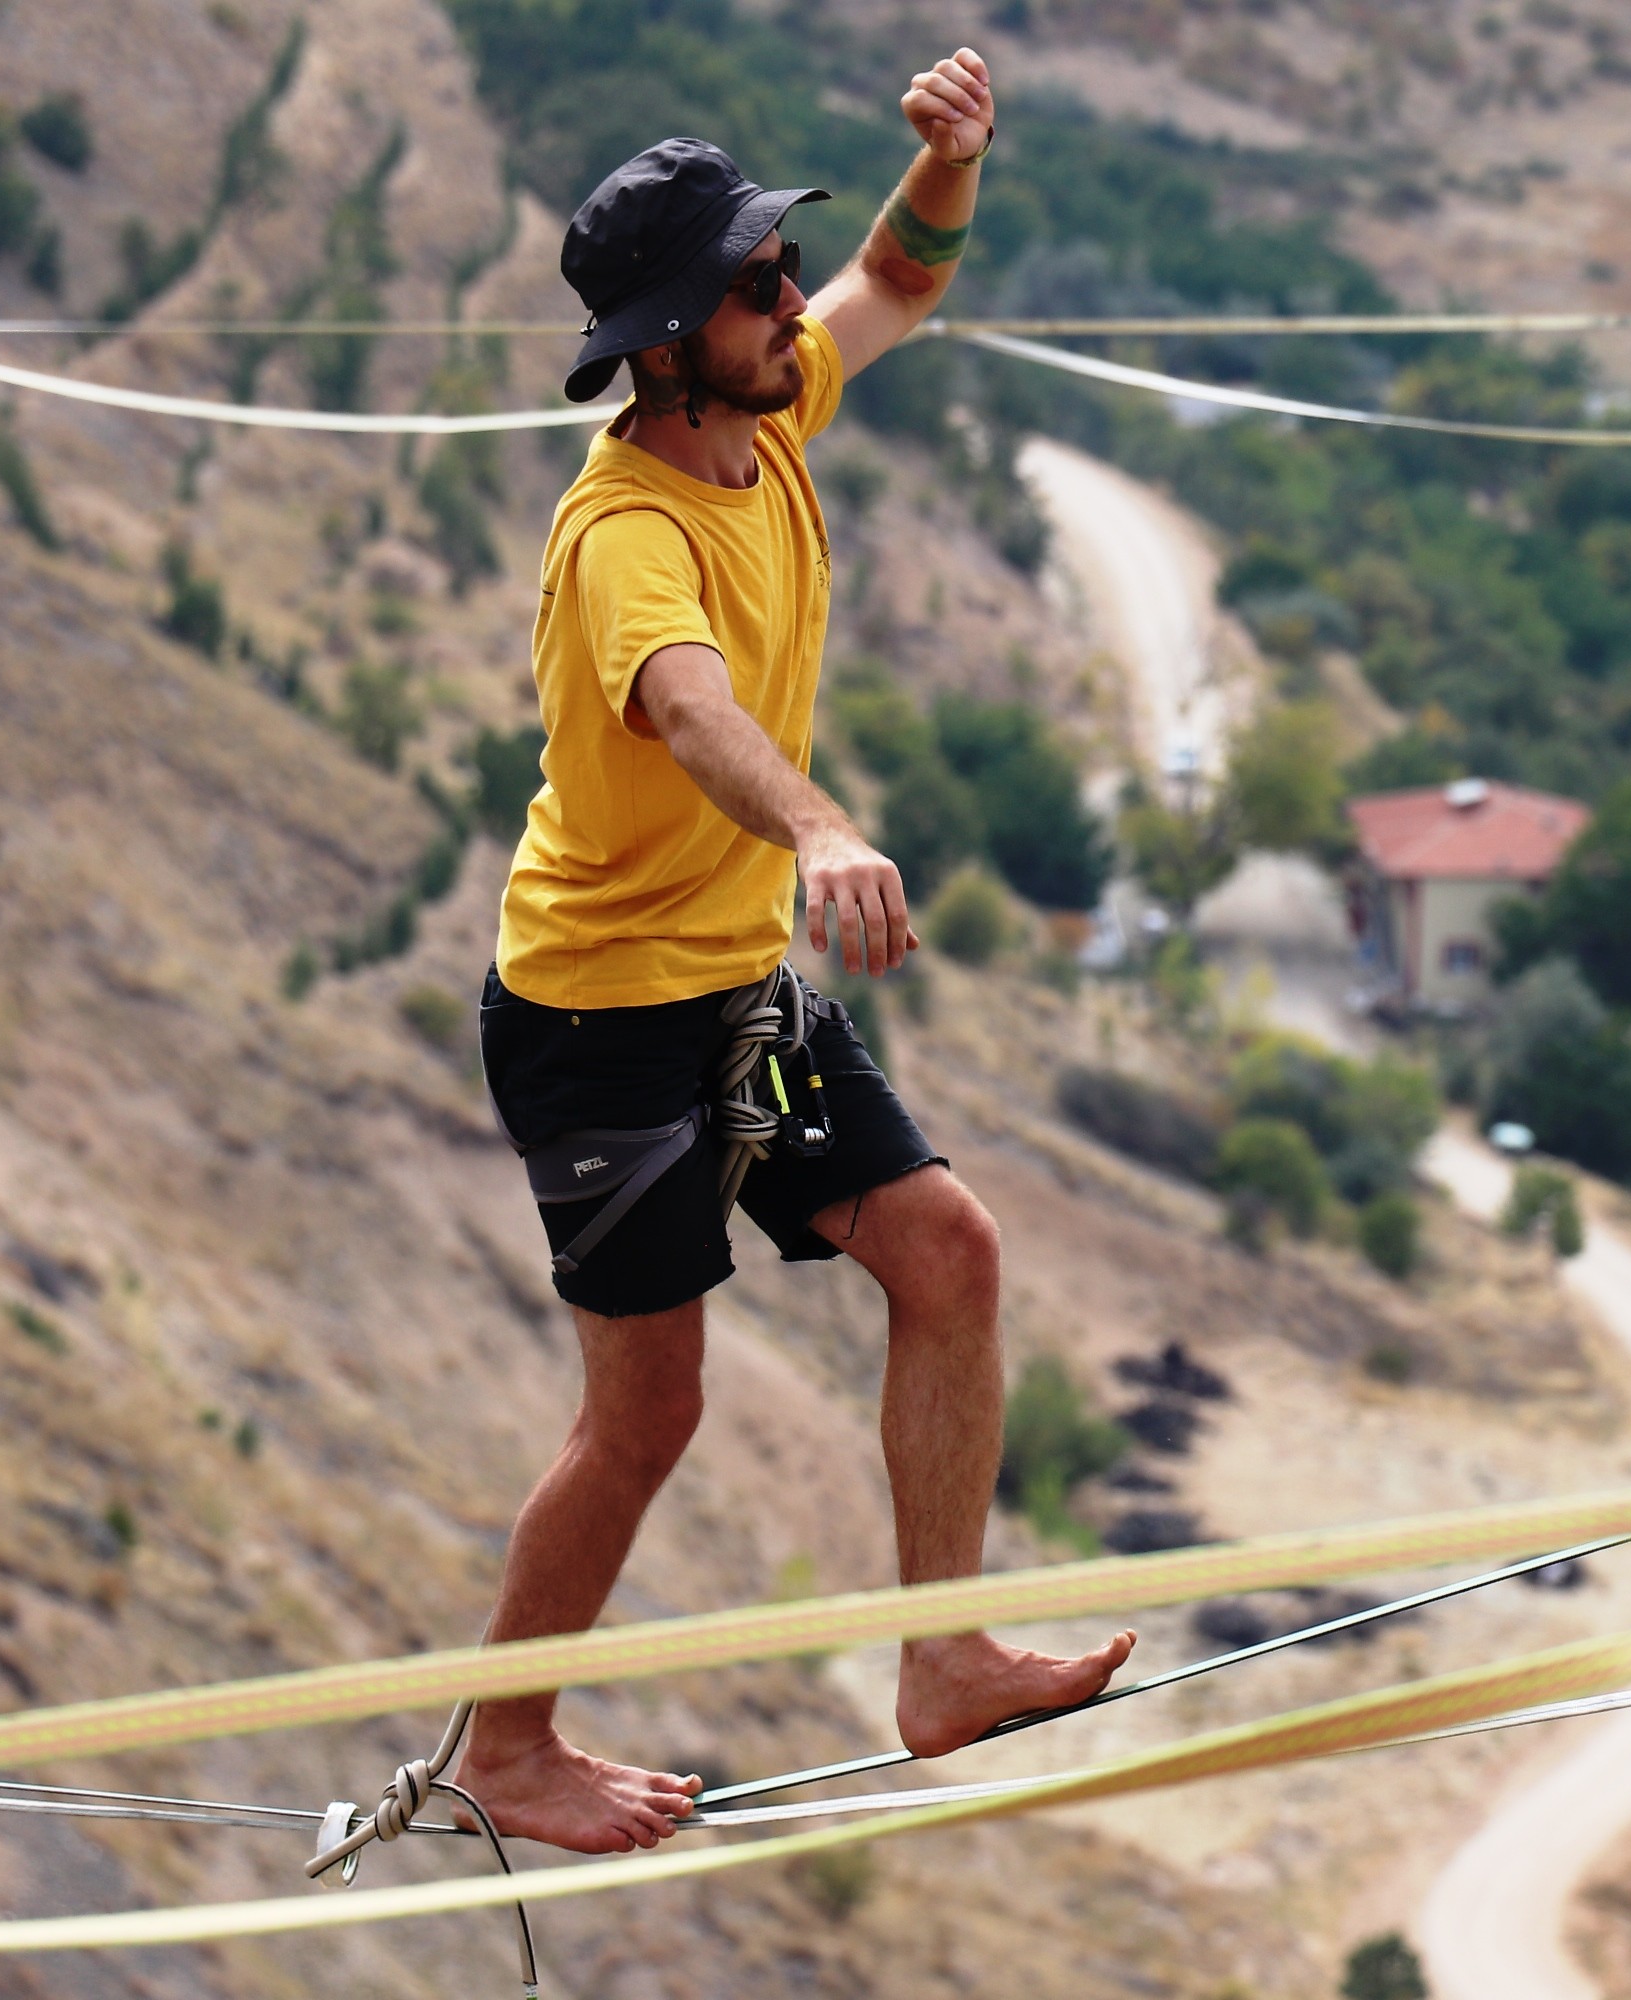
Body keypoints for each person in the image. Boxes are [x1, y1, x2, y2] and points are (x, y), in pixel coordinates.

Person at [465, 49, 1132, 1856]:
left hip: (730, 987)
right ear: (671, 344)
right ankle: (504, 1747)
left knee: (948, 1251)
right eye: (756, 283)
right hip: (599, 1025)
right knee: (649, 1416)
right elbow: (687, 710)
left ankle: (942, 1662)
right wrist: (826, 829)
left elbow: (902, 278)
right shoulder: (628, 531)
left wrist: (948, 166)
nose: (788, 301)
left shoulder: (760, 413)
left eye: (777, 269)